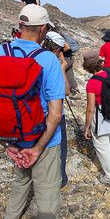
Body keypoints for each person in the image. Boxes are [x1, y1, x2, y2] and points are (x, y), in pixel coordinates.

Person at [0, 4, 64, 219]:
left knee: (21, 180)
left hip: (12, 137)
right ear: (43, 29)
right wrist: (36, 149)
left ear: (20, 25)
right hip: (43, 140)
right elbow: (55, 114)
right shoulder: (49, 60)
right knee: (47, 193)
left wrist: (8, 144)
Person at [83, 50, 110, 184]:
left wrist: (87, 127)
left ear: (87, 66)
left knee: (101, 146)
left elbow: (90, 108)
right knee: (105, 141)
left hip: (101, 116)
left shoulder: (92, 83)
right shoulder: (109, 73)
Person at [42, 31, 71, 189]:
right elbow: (66, 90)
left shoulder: (36, 57)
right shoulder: (54, 63)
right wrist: (62, 68)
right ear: (57, 49)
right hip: (55, 112)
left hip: (37, 112)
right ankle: (61, 181)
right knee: (60, 148)